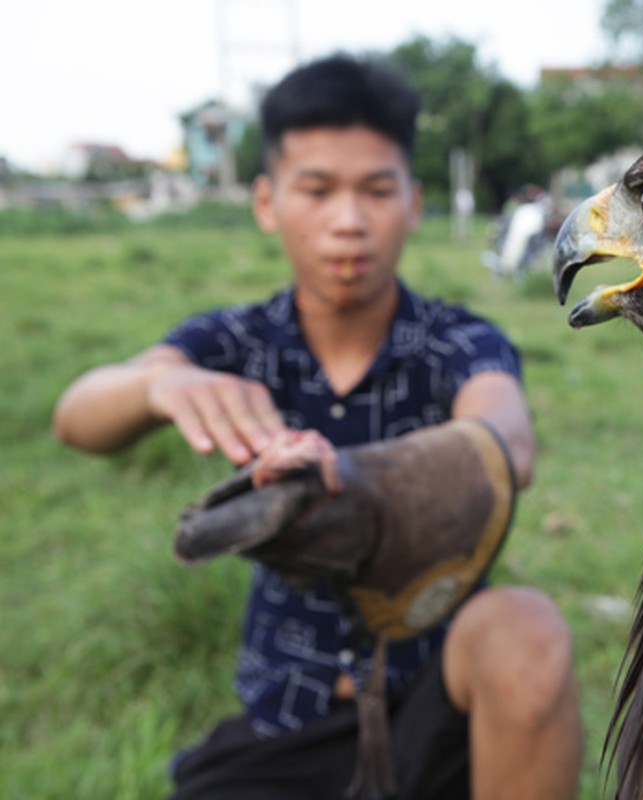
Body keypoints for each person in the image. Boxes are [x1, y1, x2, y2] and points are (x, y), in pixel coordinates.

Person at [53, 53, 582, 800]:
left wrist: (357, 482)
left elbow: (506, 441)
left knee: (524, 625)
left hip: (440, 700)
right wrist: (159, 383)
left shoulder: (459, 340)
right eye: (317, 189)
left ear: (414, 202)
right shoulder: (235, 343)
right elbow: (78, 417)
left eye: (375, 189)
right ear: (267, 203)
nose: (347, 221)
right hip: (287, 715)